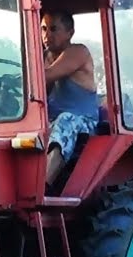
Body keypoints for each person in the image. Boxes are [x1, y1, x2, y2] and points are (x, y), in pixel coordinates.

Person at [41, 10, 100, 187]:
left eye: (53, 29)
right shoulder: (43, 58)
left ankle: (43, 187)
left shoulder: (78, 52)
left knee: (65, 120)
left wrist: (17, 78)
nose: (46, 35)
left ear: (70, 33)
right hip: (51, 121)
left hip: (83, 122)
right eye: (43, 29)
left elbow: (47, 76)